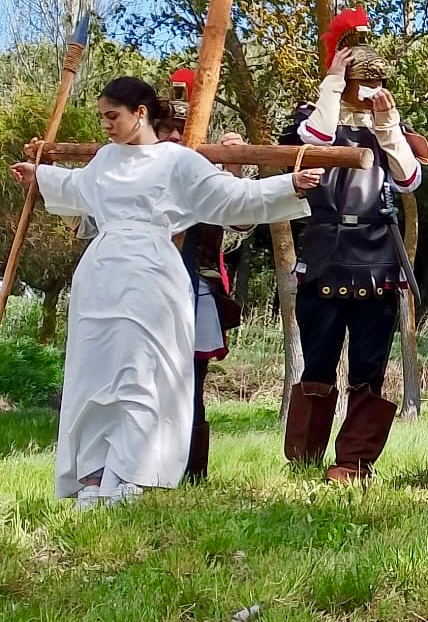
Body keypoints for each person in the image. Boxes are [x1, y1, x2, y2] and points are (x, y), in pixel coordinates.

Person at [9, 77, 319, 508]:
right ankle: (95, 475)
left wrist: (289, 185)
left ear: (140, 113)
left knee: (142, 374)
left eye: (112, 116)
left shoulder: (177, 162)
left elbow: (232, 197)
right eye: (102, 117)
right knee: (95, 375)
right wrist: (38, 176)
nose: (106, 125)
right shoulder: (104, 161)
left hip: (152, 275)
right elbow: (76, 189)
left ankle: (131, 473)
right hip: (100, 277)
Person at [282, 9, 425, 483]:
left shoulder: (388, 122)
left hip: (377, 253)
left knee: (369, 365)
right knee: (318, 360)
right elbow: (315, 145)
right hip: (324, 249)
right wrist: (331, 86)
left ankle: (354, 462)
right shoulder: (310, 115)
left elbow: (408, 179)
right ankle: (304, 456)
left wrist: (387, 126)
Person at [156, 68, 253, 483]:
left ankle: (190, 472)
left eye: (182, 129)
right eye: (166, 129)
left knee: (190, 382)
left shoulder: (204, 169)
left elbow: (242, 220)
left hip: (196, 286)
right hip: (140, 286)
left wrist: (234, 171)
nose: (176, 137)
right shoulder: (126, 165)